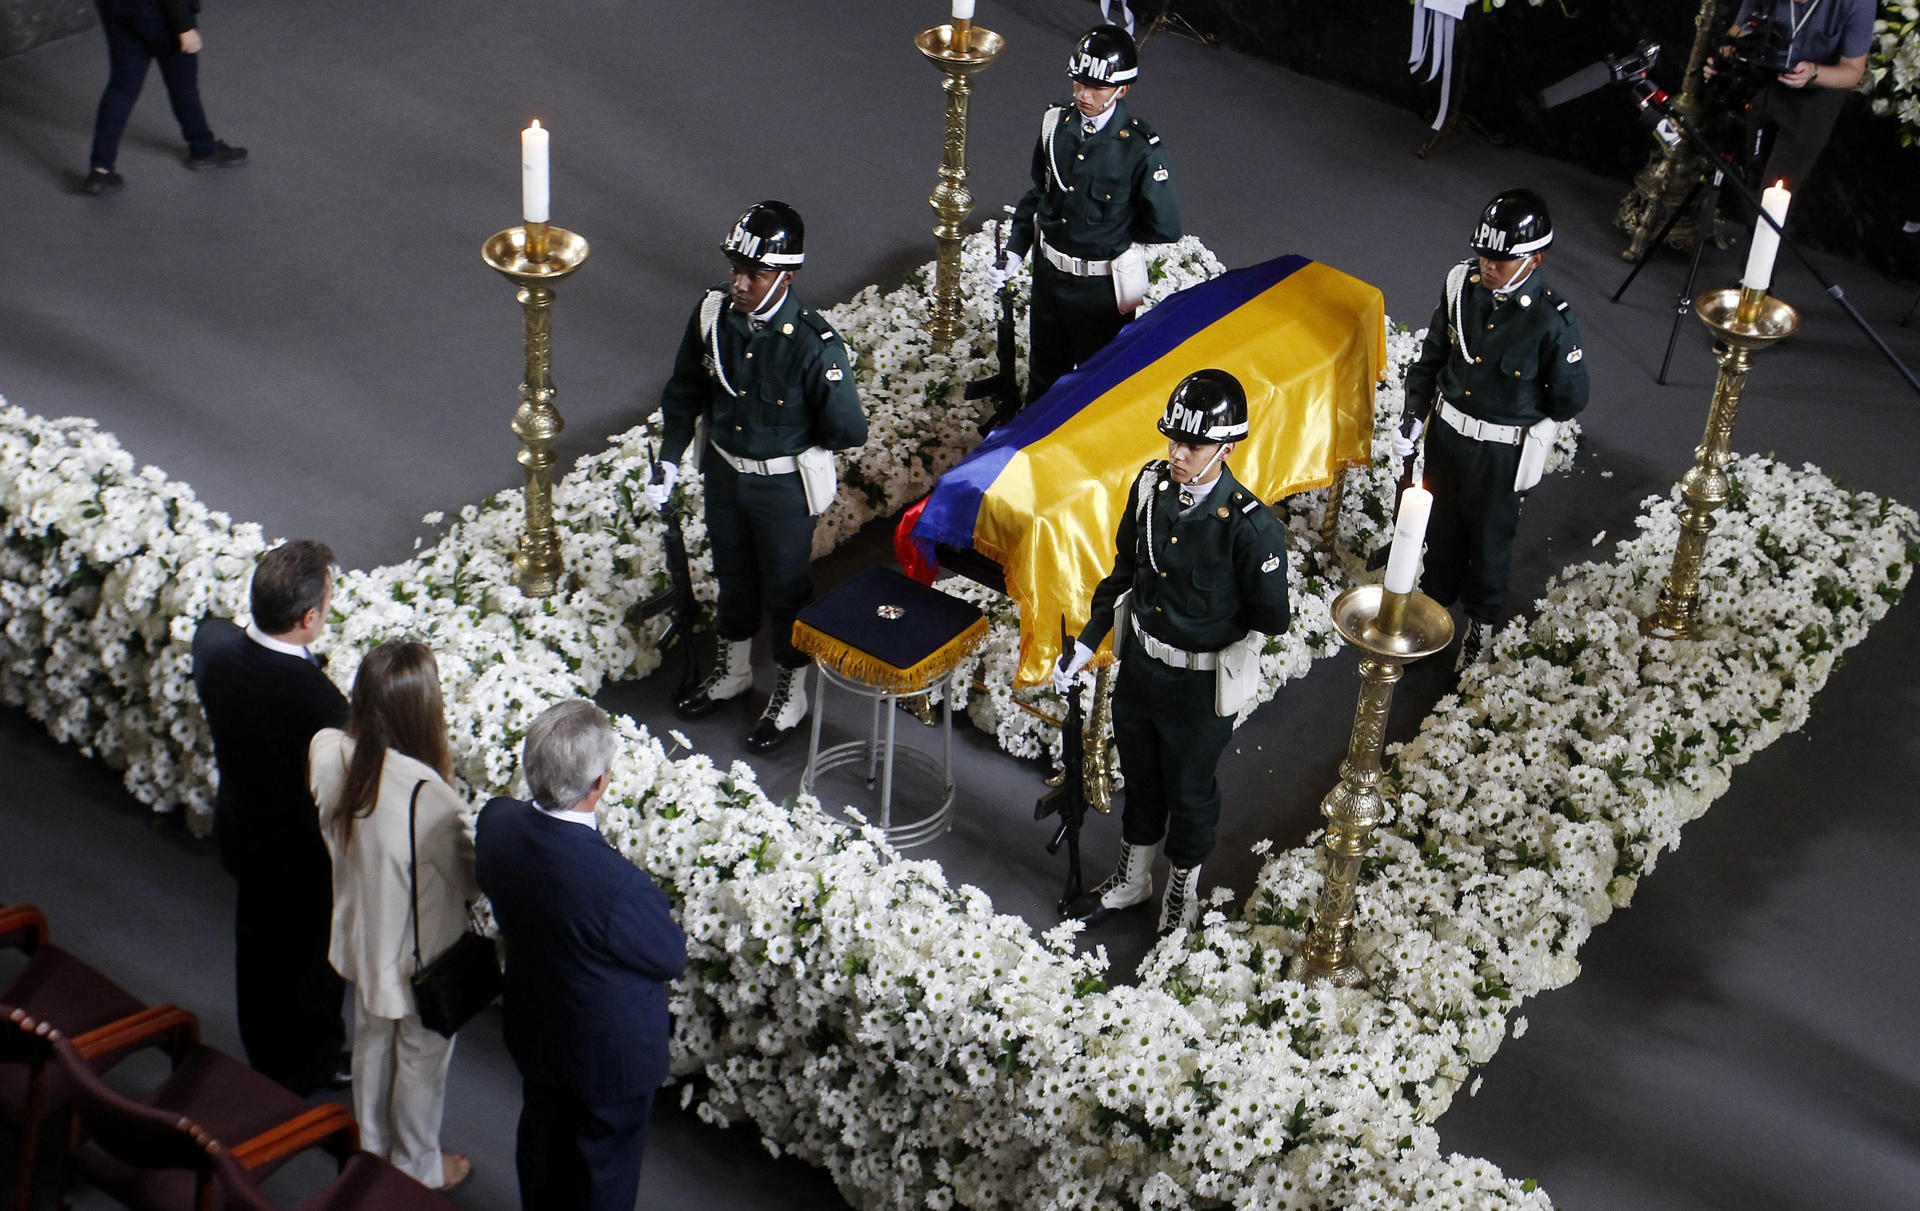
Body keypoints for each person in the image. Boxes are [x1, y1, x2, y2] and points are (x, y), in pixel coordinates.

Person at [1054, 370, 1291, 935]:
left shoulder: (1251, 530)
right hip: (1141, 666)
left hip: (1198, 686)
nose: (1177, 453)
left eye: (1193, 444)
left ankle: (1180, 892)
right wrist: (1087, 644)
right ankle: (1132, 879)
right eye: (1173, 440)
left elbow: (1271, 618)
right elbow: (1126, 571)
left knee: (1188, 789)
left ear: (1227, 449)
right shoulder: (1149, 488)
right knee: (1139, 775)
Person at [651, 201, 869, 752]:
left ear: (786, 276)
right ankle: (735, 672)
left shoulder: (813, 345)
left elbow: (847, 428)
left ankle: (790, 691)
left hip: (780, 488)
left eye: (755, 273)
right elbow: (684, 391)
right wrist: (670, 457)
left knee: (786, 588)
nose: (740, 283)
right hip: (724, 473)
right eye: (736, 270)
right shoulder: (712, 317)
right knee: (733, 575)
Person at [475, 701, 687, 1211]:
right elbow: (669, 958)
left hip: (537, 1027)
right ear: (600, 784)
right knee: (602, 1178)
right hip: (607, 1061)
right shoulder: (616, 886)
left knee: (543, 1145)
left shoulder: (497, 823)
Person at [1396, 189, 1590, 670]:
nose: (1489, 265)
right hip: (1446, 437)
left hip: (1500, 454)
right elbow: (1434, 357)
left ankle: (1479, 622)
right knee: (1438, 527)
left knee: (1489, 538)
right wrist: (1413, 413)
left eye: (1503, 258)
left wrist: (1521, 418)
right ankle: (1433, 605)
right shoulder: (1461, 288)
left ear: (1535, 258)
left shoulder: (1550, 320)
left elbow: (1569, 398)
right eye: (1484, 253)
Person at [309, 642, 476, 1191]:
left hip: (361, 938)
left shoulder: (328, 750)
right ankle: (418, 1169)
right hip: (417, 959)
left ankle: (371, 1147)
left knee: (371, 1043)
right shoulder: (432, 799)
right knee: (420, 1063)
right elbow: (468, 882)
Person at [190, 539, 349, 1095]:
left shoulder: (213, 647)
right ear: (308, 619)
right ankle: (304, 1066)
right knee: (307, 963)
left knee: (256, 950)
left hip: (243, 827)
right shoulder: (322, 704)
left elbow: (213, 631)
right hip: (301, 856)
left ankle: (264, 1046)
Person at [989, 24, 1181, 403]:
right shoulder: (1055, 124)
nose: (1083, 95)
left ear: (1122, 90)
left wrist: (1112, 234)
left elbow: (1165, 227)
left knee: (1097, 390)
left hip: (1100, 293)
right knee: (1043, 379)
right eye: (1079, 83)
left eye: (1097, 87)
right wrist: (1014, 250)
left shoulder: (1140, 150)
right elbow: (1039, 194)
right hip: (1049, 279)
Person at [82, 0, 248, 197]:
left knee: (121, 89)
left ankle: (100, 170)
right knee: (183, 88)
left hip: (116, 10)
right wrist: (185, 26)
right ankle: (203, 149)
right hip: (158, 14)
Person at [1724, 0, 1874, 191]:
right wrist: (1729, 51)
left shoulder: (1859, 3)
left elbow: (1853, 71)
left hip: (1817, 92)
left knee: (1776, 189)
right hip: (1766, 79)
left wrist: (1814, 73)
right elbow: (1738, 30)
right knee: (1750, 179)